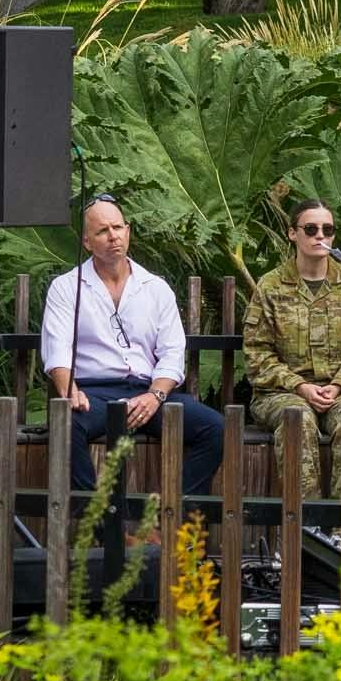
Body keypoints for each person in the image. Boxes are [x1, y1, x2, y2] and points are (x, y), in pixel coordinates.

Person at [47, 198, 226, 500]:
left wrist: (154, 396)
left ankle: (168, 521)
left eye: (117, 227)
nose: (113, 235)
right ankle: (101, 529)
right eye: (102, 230)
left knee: (216, 428)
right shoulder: (67, 287)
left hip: (147, 390)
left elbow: (172, 353)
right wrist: (69, 390)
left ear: (128, 232)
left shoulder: (156, 288)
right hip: (95, 394)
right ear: (87, 241)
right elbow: (57, 348)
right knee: (64, 425)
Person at [245, 201, 341, 441]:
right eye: (311, 229)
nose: (320, 235)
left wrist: (339, 385)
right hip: (282, 394)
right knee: (297, 419)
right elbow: (257, 353)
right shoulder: (270, 286)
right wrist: (300, 386)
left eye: (328, 230)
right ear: (293, 233)